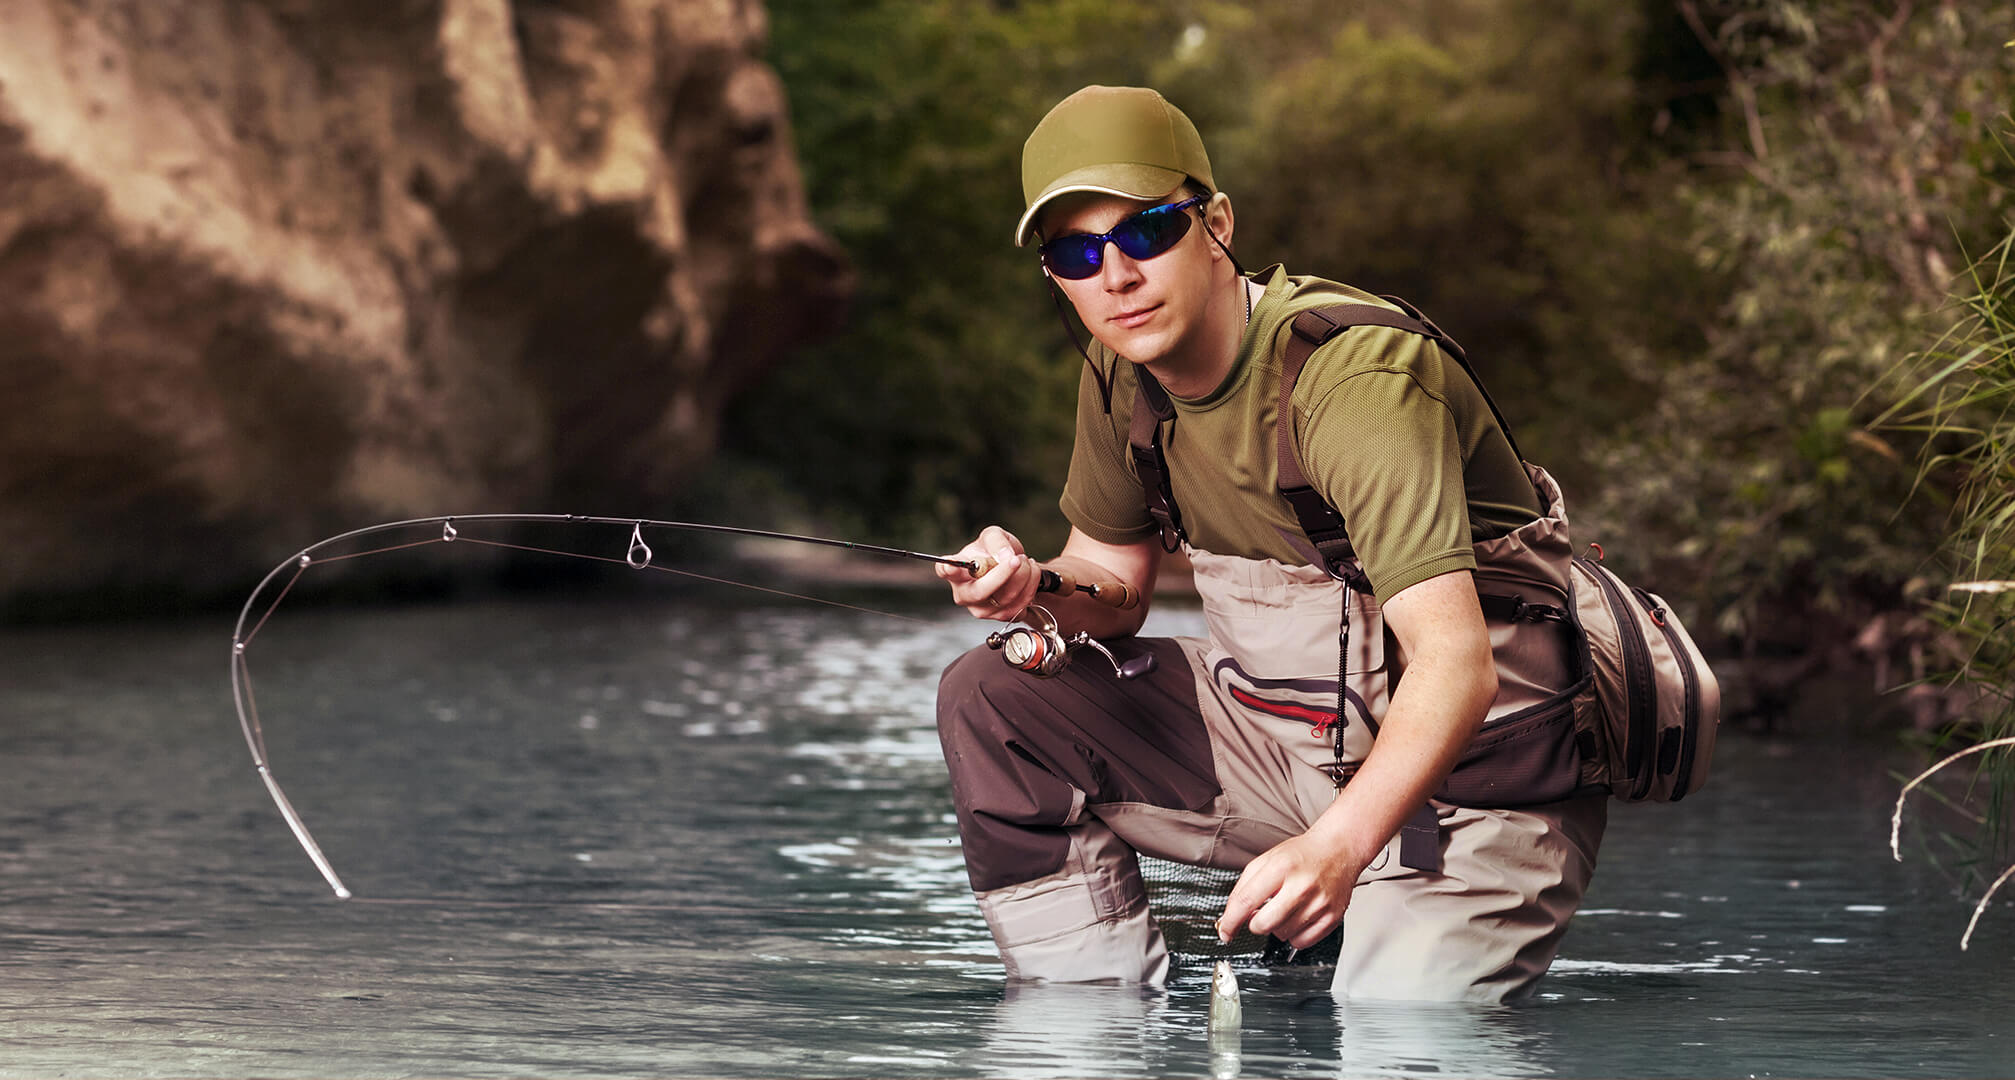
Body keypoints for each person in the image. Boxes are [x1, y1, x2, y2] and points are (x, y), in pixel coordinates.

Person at [934, 85, 1606, 1003]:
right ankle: (1082, 1020)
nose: (1115, 276)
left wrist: (1336, 847)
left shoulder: (1356, 379)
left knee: (1397, 1036)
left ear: (1216, 224)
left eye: (1144, 232)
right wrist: (1032, 584)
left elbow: (1457, 663)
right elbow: (1115, 591)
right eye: (1076, 253)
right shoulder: (1118, 376)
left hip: (1473, 785)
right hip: (1290, 753)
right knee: (993, 693)